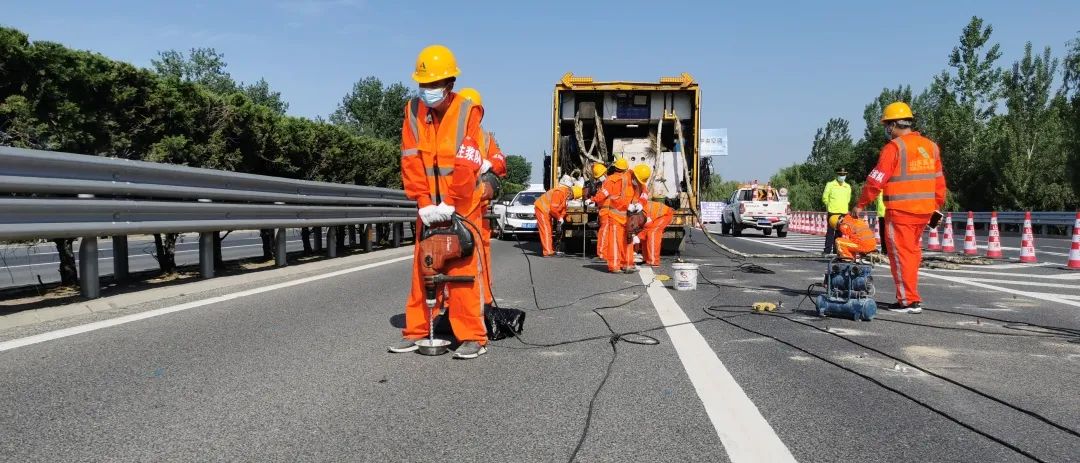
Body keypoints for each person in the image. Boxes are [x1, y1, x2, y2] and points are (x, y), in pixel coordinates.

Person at [390, 45, 489, 359]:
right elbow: (410, 160)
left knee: (461, 273)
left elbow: (466, 162)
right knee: (424, 271)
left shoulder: (467, 112)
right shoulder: (412, 111)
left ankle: (473, 337)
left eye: (434, 84)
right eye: (424, 84)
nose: (428, 90)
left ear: (450, 83)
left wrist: (451, 203)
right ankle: (417, 331)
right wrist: (422, 202)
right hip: (428, 209)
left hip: (462, 206)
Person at [852, 101, 947, 314]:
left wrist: (860, 204)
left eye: (887, 125)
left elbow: (876, 181)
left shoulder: (893, 148)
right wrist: (935, 206)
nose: (887, 129)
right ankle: (910, 296)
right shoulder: (931, 147)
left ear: (894, 124)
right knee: (912, 254)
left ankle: (908, 301)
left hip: (901, 212)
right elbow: (940, 183)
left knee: (900, 255)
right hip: (923, 212)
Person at [456, 88, 506, 310]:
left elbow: (500, 162)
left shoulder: (485, 138)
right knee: (448, 259)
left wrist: (490, 164)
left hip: (478, 211)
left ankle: (482, 303)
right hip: (452, 207)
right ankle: (448, 309)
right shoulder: (446, 135)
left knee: (480, 260)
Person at [591, 157, 644, 273]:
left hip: (618, 215)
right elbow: (642, 191)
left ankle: (618, 265)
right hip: (625, 215)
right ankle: (625, 265)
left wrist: (593, 199)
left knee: (617, 241)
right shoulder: (631, 176)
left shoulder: (611, 180)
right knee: (627, 241)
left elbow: (606, 195)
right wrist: (636, 204)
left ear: (615, 168)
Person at [535, 176, 576, 257]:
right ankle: (547, 252)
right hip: (542, 209)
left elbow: (563, 209)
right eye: (573, 197)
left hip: (546, 211)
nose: (571, 199)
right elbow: (553, 209)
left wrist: (563, 217)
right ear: (570, 192)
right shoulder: (559, 192)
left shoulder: (564, 194)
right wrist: (559, 218)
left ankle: (549, 249)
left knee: (548, 230)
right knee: (546, 230)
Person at [821, 168, 851, 253]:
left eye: (844, 175)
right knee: (830, 232)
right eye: (841, 175)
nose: (842, 176)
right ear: (837, 175)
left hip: (843, 212)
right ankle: (827, 250)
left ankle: (836, 250)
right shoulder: (830, 185)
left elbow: (848, 199)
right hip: (833, 212)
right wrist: (828, 205)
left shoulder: (847, 186)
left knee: (840, 233)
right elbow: (825, 197)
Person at [637, 200, 674, 267]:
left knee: (652, 233)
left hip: (664, 215)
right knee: (645, 237)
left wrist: (638, 236)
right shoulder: (637, 209)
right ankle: (646, 259)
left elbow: (648, 225)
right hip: (655, 216)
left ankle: (653, 262)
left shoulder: (641, 211)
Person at [585, 162, 608, 262]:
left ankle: (602, 255)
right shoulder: (603, 184)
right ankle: (606, 254)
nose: (598, 178)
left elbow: (603, 194)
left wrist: (592, 200)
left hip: (608, 211)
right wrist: (594, 202)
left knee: (604, 233)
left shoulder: (607, 183)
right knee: (606, 233)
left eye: (599, 176)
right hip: (605, 210)